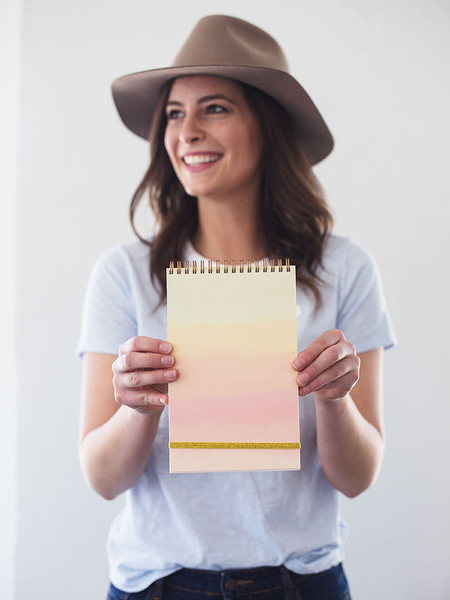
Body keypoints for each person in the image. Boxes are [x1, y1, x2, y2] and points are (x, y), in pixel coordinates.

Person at [77, 15, 396, 600]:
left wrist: (335, 398)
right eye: (175, 113)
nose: (187, 131)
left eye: (215, 108)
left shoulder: (345, 269)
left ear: (266, 127)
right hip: (158, 584)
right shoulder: (123, 275)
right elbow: (101, 479)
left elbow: (357, 477)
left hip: (302, 584)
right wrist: (139, 408)